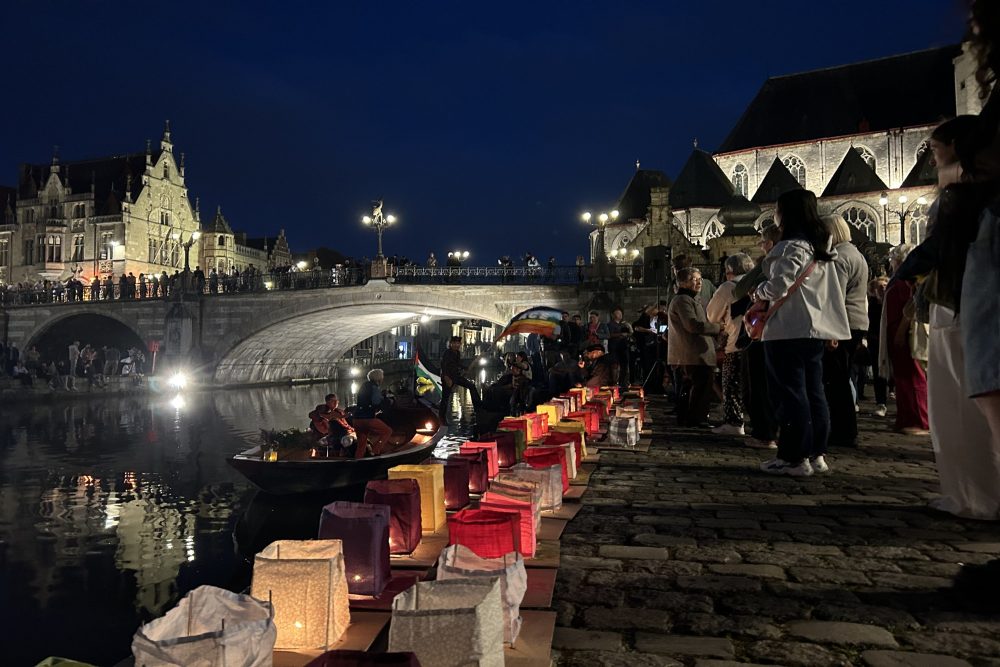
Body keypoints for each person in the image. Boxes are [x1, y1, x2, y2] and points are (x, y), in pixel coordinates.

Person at [753, 189, 850, 476]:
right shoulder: (823, 248)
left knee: (789, 394)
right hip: (815, 328)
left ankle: (794, 457)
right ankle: (816, 453)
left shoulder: (791, 247)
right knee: (814, 392)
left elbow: (778, 285)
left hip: (787, 329)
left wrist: (759, 291)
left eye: (777, 209)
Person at [822, 215, 870, 448]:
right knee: (842, 378)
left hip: (844, 324)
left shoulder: (839, 257)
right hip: (858, 321)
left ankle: (843, 431)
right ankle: (846, 429)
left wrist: (831, 332)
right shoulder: (856, 254)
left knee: (836, 381)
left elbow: (835, 297)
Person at [880, 244, 929, 435]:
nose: (891, 262)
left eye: (893, 258)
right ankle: (906, 417)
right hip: (895, 332)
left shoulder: (907, 279)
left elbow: (910, 308)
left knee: (912, 377)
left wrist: (901, 331)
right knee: (902, 379)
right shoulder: (899, 278)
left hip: (905, 334)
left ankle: (920, 420)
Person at [706, 253, 755, 436]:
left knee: (731, 383)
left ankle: (734, 422)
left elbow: (712, 315)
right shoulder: (758, 283)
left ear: (729, 271)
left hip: (736, 342)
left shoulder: (728, 287)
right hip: (759, 342)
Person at [668, 267, 722, 427]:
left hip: (694, 352)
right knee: (700, 387)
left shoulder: (690, 299)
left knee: (695, 386)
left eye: (700, 279)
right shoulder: (683, 300)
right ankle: (696, 418)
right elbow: (692, 325)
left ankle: (689, 417)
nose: (699, 282)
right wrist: (718, 327)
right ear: (683, 282)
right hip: (692, 352)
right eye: (694, 279)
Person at [439, 335, 482, 425]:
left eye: (458, 343)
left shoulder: (457, 353)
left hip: (456, 376)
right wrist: (447, 378)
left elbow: (458, 364)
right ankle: (441, 417)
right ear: (451, 344)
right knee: (445, 398)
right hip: (448, 377)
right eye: (455, 343)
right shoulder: (447, 353)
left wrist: (466, 368)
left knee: (471, 386)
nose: (456, 345)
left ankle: (478, 407)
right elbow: (444, 366)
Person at [353, 369, 394, 458]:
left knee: (361, 444)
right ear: (378, 378)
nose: (382, 379)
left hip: (357, 419)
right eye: (382, 377)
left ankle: (358, 461)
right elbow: (376, 402)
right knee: (387, 431)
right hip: (367, 418)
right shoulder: (374, 387)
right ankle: (375, 451)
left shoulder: (364, 386)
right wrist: (387, 400)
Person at [606, 308, 630, 388]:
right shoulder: (610, 324)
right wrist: (620, 335)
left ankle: (623, 383)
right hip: (614, 348)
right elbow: (609, 335)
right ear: (613, 315)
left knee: (624, 366)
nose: (619, 315)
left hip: (623, 348)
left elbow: (629, 333)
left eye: (620, 313)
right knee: (614, 366)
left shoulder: (623, 325)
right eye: (617, 313)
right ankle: (614, 383)